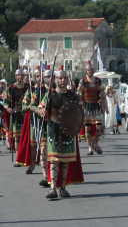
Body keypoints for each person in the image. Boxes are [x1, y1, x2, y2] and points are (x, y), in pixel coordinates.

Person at [38, 66, 84, 199]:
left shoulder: (73, 96)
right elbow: (41, 108)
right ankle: (53, 188)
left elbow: (79, 112)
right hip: (53, 130)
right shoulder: (50, 95)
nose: (62, 80)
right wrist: (42, 110)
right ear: (56, 79)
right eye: (59, 78)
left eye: (64, 78)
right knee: (54, 160)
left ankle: (62, 188)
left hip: (68, 131)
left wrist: (77, 126)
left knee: (65, 161)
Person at [77, 61, 107, 155]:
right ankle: (90, 147)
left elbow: (102, 92)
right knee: (88, 130)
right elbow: (78, 93)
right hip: (86, 107)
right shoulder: (83, 81)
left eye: (91, 70)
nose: (89, 71)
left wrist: (104, 104)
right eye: (88, 70)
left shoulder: (98, 80)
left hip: (96, 106)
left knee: (99, 128)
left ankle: (95, 143)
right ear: (86, 71)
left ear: (93, 70)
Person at [3, 69, 28, 161]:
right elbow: (5, 102)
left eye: (22, 75)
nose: (20, 77)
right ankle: (18, 157)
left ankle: (25, 156)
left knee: (26, 137)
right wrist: (8, 108)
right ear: (16, 76)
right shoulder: (11, 88)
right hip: (16, 115)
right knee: (17, 137)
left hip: (26, 114)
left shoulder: (28, 87)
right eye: (18, 75)